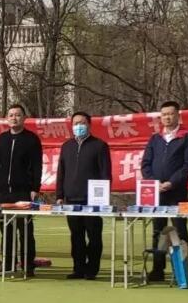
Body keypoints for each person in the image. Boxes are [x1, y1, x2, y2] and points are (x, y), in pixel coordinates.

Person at [141, 100, 188, 282]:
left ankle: (182, 270)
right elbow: (146, 163)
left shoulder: (187, 136)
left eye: (170, 114)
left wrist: (172, 183)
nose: (167, 117)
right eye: (164, 114)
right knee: (158, 231)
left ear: (178, 115)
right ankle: (158, 269)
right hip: (157, 193)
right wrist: (154, 183)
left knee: (180, 230)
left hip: (178, 192)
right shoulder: (155, 138)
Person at [55, 111, 111, 280]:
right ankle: (78, 268)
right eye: (75, 123)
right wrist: (60, 195)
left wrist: (103, 197)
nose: (78, 126)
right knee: (76, 236)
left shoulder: (99, 146)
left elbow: (105, 173)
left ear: (89, 125)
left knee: (94, 235)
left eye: (82, 123)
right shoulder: (67, 146)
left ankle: (91, 269)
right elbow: (61, 172)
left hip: (93, 200)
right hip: (71, 198)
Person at [0, 104, 42, 276]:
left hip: (23, 192)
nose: (14, 118)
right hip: (4, 192)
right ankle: (8, 264)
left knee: (25, 230)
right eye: (11, 115)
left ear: (24, 118)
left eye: (18, 115)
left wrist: (35, 188)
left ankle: (28, 265)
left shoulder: (32, 139)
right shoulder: (2, 138)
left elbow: (37, 166)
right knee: (6, 231)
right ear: (7, 118)